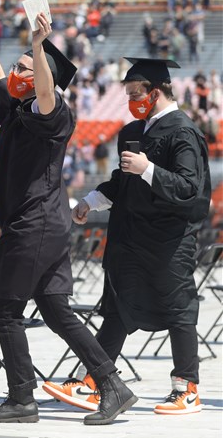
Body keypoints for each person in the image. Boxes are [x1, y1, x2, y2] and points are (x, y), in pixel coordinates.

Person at [0, 7, 136, 425]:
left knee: (5, 311)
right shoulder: (18, 107)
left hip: (35, 223)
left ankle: (22, 398)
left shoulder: (54, 113)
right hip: (44, 223)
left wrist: (38, 47)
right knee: (56, 310)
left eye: (25, 66)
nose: (15, 72)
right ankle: (113, 386)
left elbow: (43, 91)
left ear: (43, 77)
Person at [50, 57, 211, 415]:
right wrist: (91, 202)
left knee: (179, 308)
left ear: (155, 92)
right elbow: (122, 183)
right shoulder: (133, 131)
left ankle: (187, 388)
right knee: (118, 305)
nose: (130, 101)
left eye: (135, 93)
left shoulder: (182, 132)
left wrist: (149, 168)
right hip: (130, 237)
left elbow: (189, 188)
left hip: (169, 241)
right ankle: (96, 380)